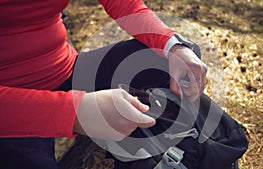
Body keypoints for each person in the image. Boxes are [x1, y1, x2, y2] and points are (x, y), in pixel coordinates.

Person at [0, 0, 207, 168]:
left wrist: (172, 45)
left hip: (65, 70)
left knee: (171, 63)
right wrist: (75, 112)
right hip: (12, 112)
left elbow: (122, 3)